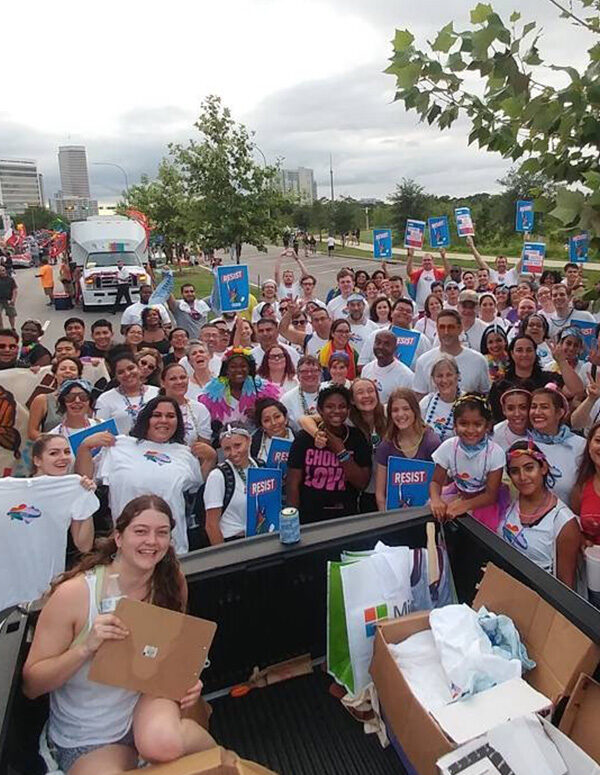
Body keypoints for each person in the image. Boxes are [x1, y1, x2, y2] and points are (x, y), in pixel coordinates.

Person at [22, 495, 216, 774]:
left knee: (165, 743)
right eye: (140, 531)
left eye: (162, 533)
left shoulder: (171, 581)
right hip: (89, 733)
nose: (152, 541)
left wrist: (187, 682)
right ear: (119, 537)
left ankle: (226, 761)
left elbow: (175, 653)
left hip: (146, 703)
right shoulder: (75, 595)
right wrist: (85, 648)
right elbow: (31, 685)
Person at [77, 397, 213, 555]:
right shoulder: (118, 445)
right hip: (127, 547)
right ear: (145, 418)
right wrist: (84, 447)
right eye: (157, 415)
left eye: (170, 416)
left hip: (170, 548)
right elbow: (84, 481)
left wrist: (211, 459)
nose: (164, 420)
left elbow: (197, 485)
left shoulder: (185, 454)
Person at [0, 434, 97, 611]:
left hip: (45, 590)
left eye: (66, 452)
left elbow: (84, 546)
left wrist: (86, 500)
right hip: (7, 588)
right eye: (54, 453)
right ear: (37, 460)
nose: (63, 458)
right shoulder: (6, 490)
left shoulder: (73, 488)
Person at [500, 441, 581, 588]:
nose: (522, 477)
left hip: (537, 597)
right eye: (515, 471)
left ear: (543, 468)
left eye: (529, 468)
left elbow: (566, 587)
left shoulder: (563, 523)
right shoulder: (508, 501)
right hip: (500, 585)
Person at [287, 385, 371, 523]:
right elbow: (293, 484)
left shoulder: (356, 437)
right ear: (320, 410)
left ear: (348, 410)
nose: (336, 411)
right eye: (330, 407)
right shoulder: (304, 439)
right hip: (309, 517)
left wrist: (341, 452)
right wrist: (293, 520)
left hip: (345, 516)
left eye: (342, 407)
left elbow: (362, 483)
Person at [430, 394, 506, 529]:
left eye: (477, 424)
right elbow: (436, 482)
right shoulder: (448, 447)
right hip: (458, 492)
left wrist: (464, 505)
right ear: (455, 425)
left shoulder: (495, 453)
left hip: (483, 501)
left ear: (487, 426)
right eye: (463, 424)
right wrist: (436, 499)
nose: (470, 430)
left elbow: (490, 496)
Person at [489, 335, 583, 422]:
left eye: (529, 350)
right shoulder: (500, 385)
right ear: (512, 354)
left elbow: (577, 390)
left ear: (535, 353)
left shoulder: (549, 378)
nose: (525, 354)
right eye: (519, 350)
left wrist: (561, 361)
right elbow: (498, 418)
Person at [375, 388, 441, 511]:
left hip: (426, 513)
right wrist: (386, 519)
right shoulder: (386, 446)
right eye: (395, 410)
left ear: (415, 410)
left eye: (406, 409)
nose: (400, 414)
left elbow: (442, 487)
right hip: (394, 516)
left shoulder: (432, 443)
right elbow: (380, 494)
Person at [199, 347, 280, 434]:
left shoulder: (263, 389)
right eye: (233, 367)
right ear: (226, 369)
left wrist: (259, 412)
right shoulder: (211, 393)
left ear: (249, 368)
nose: (238, 370)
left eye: (243, 366)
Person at [528, 384, 586, 504]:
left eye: (544, 407)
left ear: (559, 413)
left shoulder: (580, 445)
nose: (537, 412)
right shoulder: (522, 445)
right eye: (533, 407)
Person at [412, 310, 490, 398]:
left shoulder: (478, 361)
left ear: (460, 329)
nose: (446, 332)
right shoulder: (423, 361)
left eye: (451, 327)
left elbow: (485, 394)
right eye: (442, 327)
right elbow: (420, 397)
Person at [204, 424, 260, 544]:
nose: (233, 453)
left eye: (237, 445)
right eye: (227, 449)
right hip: (234, 542)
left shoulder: (260, 466)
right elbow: (211, 525)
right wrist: (224, 553)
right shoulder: (217, 476)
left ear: (249, 441)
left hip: (261, 538)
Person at [95, 351, 160, 434]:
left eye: (131, 368)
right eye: (120, 372)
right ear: (116, 376)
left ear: (138, 368)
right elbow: (100, 432)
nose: (127, 374)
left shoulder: (157, 393)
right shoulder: (105, 399)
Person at [359, 298, 431, 372]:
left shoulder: (421, 339)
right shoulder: (375, 335)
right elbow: (362, 364)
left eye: (408, 311)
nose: (404, 312)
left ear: (412, 316)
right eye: (400, 309)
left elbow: (428, 366)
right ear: (391, 313)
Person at [571, 423, 600, 593]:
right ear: (589, 445)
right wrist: (582, 540)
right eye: (598, 441)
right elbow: (576, 524)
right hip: (594, 572)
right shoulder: (581, 488)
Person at [28, 356, 84, 440]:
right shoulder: (42, 400)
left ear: (78, 375)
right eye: (63, 369)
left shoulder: (85, 400)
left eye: (72, 369)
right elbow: (32, 432)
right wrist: (56, 441)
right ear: (55, 374)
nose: (67, 371)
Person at [160, 363, 212, 446]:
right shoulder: (153, 407)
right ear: (163, 383)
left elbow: (204, 446)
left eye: (183, 377)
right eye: (173, 379)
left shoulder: (200, 409)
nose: (179, 382)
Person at [361, 330, 414, 403]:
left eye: (386, 344)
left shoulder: (406, 376)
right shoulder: (366, 369)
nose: (380, 347)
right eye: (378, 343)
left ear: (395, 348)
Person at [419, 356, 460, 443]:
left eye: (449, 375)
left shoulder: (466, 402)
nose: (444, 380)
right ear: (433, 379)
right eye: (439, 376)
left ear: (457, 376)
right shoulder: (426, 402)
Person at [281, 355, 322, 432]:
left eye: (314, 371)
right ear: (298, 374)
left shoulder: (329, 392)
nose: (309, 374)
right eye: (304, 371)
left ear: (320, 373)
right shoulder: (287, 399)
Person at [251, 398, 295, 464]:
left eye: (277, 417)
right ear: (262, 426)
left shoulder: (299, 439)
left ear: (286, 418)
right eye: (267, 420)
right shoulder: (253, 445)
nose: (273, 423)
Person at [491, 384, 532, 452]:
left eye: (523, 407)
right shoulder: (494, 434)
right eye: (511, 408)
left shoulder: (540, 431)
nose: (517, 414)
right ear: (504, 410)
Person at [0, 264, 17, 329]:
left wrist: (13, 299)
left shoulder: (10, 279)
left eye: (3, 270)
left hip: (8, 300)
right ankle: (1, 328)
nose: (2, 272)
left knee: (11, 315)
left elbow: (14, 290)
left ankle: (13, 328)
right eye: (0, 271)